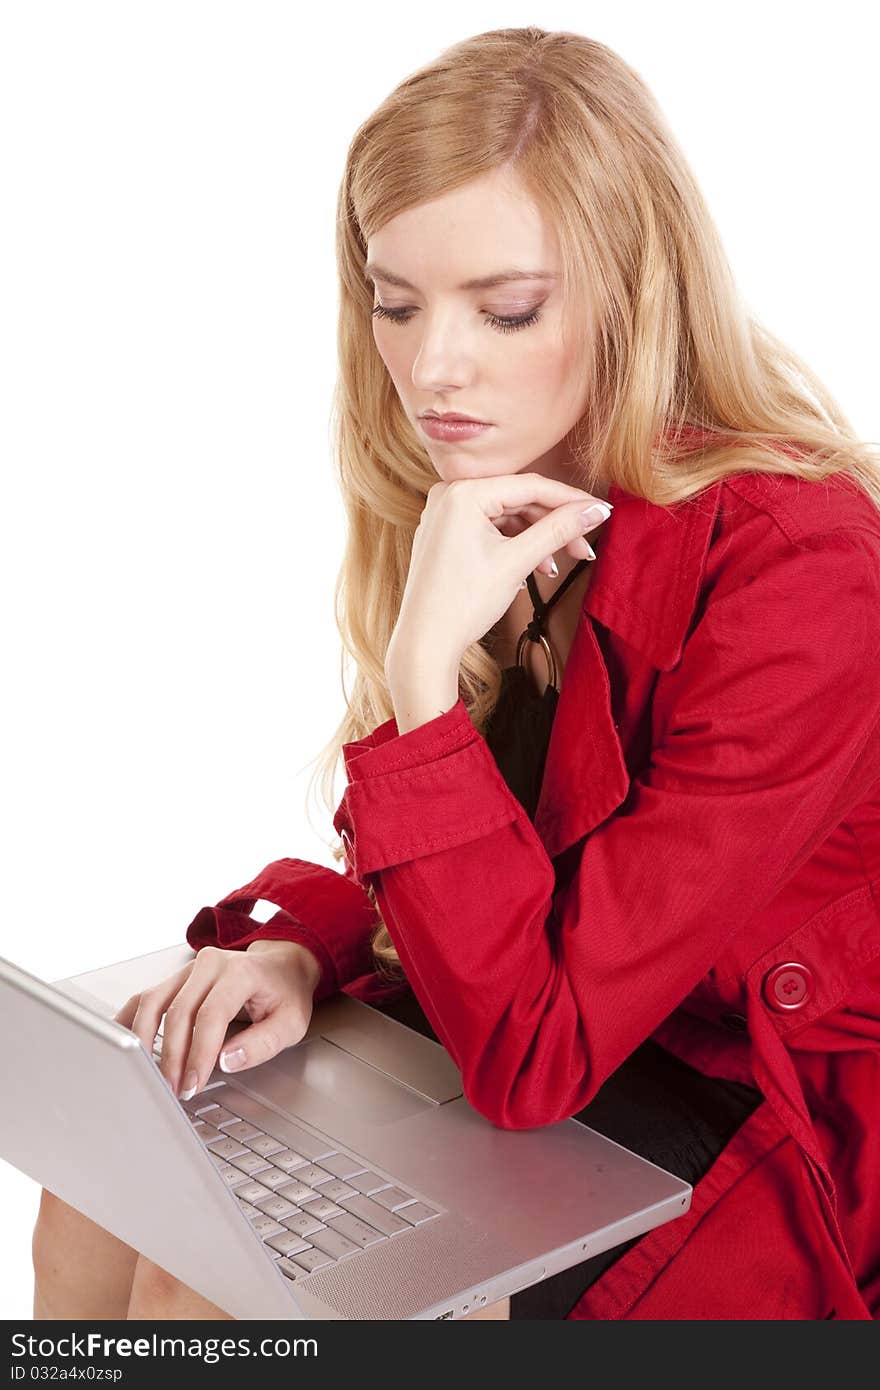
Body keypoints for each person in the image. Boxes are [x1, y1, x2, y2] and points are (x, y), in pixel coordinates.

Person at [32, 25, 880, 1322]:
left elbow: (537, 1053)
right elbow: (450, 884)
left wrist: (425, 675)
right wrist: (310, 958)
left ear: (633, 291)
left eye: (507, 308)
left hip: (732, 1118)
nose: (436, 367)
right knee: (107, 1182)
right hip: (542, 1052)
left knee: (217, 1290)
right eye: (396, 303)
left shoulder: (805, 568)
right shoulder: (504, 493)